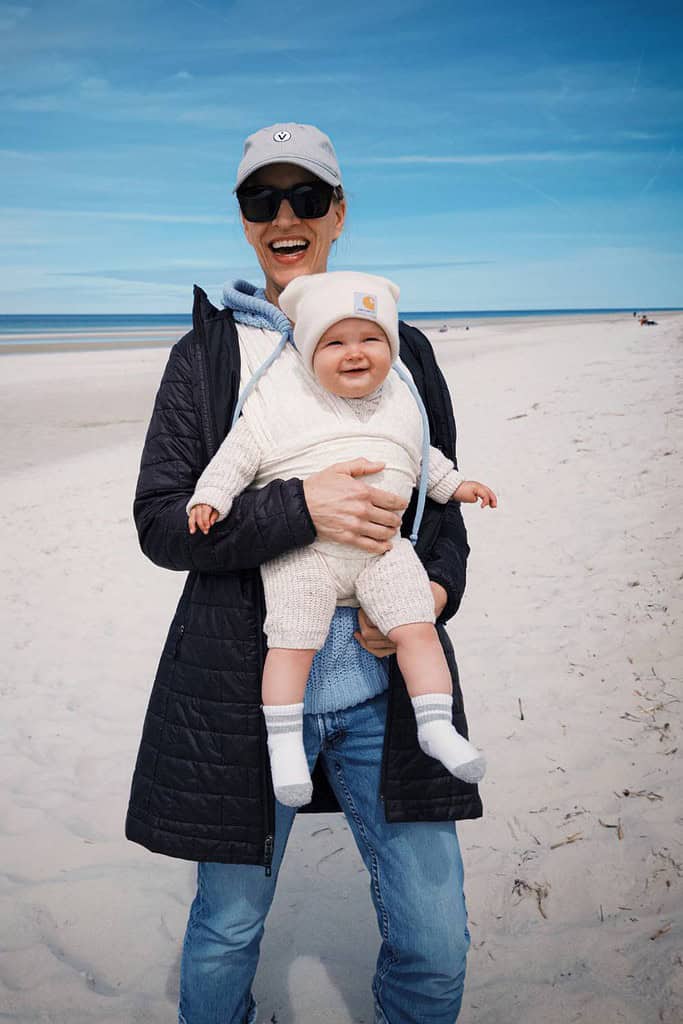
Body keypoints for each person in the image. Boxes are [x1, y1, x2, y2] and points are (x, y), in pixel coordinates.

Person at [126, 122, 484, 1024]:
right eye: (261, 199)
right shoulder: (204, 358)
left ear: (338, 212)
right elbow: (163, 523)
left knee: (436, 936)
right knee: (225, 927)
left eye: (306, 197)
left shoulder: (401, 348)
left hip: (387, 677)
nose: (284, 216)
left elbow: (435, 508)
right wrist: (299, 509)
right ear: (245, 218)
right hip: (248, 681)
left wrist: (438, 591)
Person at [185, 269, 496, 807]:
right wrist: (210, 496)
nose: (355, 353)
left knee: (418, 625)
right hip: (305, 554)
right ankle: (284, 744)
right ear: (309, 353)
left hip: (382, 551)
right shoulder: (277, 402)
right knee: (292, 642)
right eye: (335, 342)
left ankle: (435, 724)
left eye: (371, 339)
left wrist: (458, 485)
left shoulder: (401, 398)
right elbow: (237, 453)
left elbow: (424, 460)